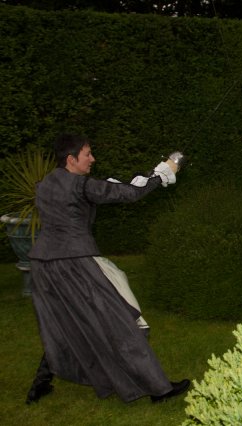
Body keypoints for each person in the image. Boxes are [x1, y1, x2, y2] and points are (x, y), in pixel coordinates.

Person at [26, 134, 190, 404]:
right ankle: (159, 389)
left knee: (63, 324)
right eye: (87, 154)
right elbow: (130, 194)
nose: (92, 159)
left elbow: (82, 200)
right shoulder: (82, 185)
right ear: (71, 159)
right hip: (75, 264)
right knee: (119, 323)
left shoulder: (44, 185)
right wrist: (161, 175)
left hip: (42, 264)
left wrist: (138, 179)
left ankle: (40, 384)